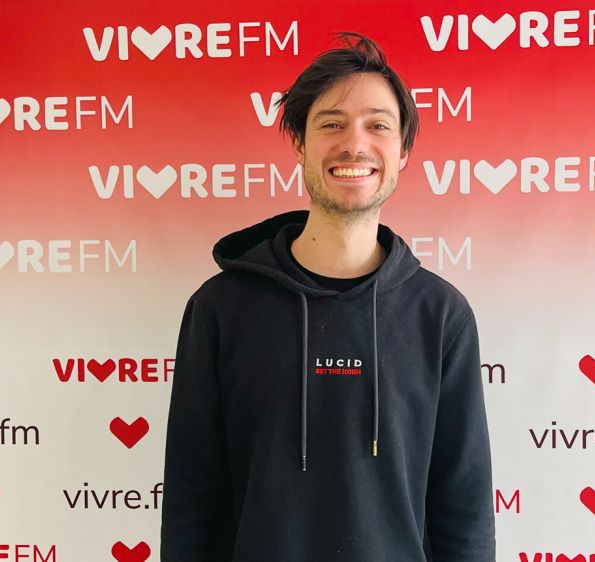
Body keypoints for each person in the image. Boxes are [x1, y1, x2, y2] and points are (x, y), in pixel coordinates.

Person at [161, 33, 495, 562]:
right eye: (332, 124)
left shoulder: (440, 315)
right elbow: (190, 502)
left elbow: (464, 508)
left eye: (377, 125)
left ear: (403, 151)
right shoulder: (220, 309)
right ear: (300, 143)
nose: (354, 145)